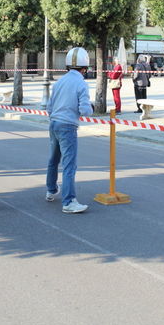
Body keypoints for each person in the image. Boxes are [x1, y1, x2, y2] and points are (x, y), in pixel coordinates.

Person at [45, 47, 94, 214]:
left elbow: (49, 106)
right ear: (85, 68)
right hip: (68, 126)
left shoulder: (59, 82)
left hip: (54, 123)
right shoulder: (81, 83)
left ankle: (51, 190)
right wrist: (91, 107)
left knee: (53, 159)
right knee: (69, 165)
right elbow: (86, 110)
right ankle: (69, 201)